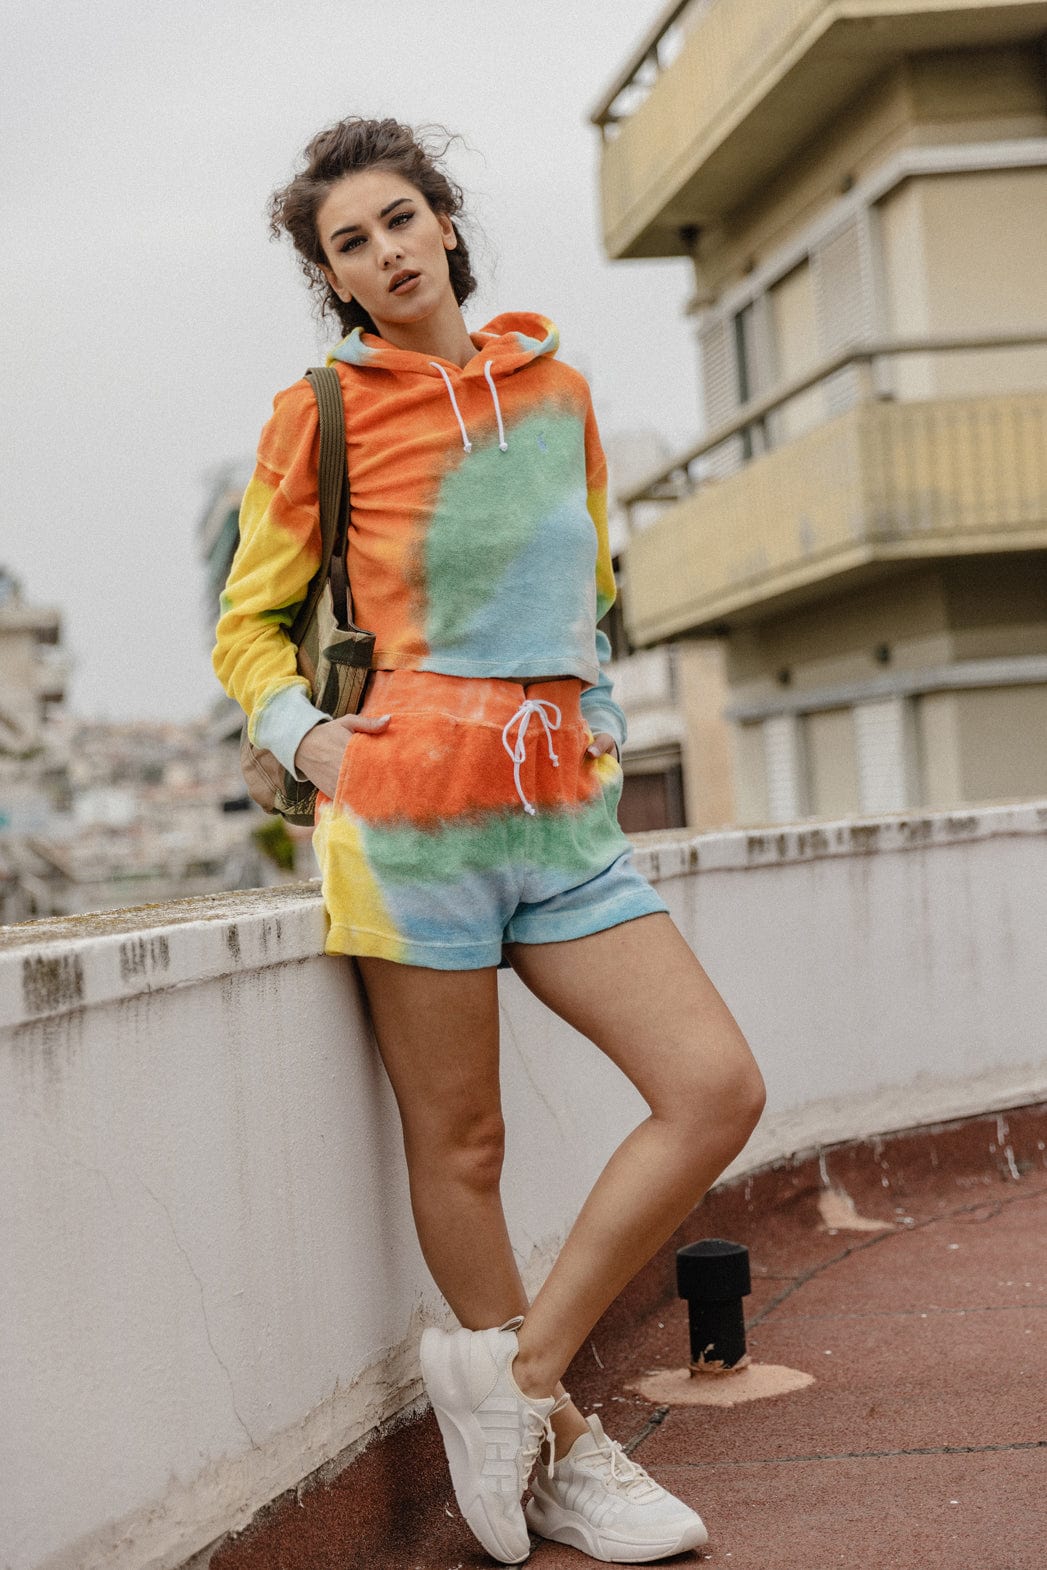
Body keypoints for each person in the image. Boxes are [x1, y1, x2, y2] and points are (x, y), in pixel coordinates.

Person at [213, 116, 765, 1566]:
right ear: (335, 278)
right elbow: (247, 627)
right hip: (410, 829)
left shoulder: (559, 393)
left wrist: (600, 734)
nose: (386, 252)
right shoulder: (321, 415)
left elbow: (592, 601)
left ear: (445, 224)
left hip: (562, 818)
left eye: (401, 219)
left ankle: (516, 1383)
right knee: (464, 1141)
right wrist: (313, 741)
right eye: (350, 243)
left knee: (713, 1087)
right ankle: (565, 1456)